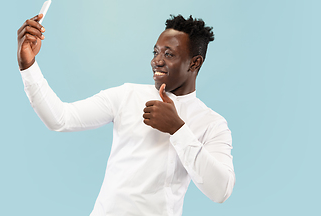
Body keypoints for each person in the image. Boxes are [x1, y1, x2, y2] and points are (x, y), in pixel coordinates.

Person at [17, 14, 235, 216]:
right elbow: (60, 119)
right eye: (155, 52)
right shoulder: (126, 95)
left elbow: (221, 191)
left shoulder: (212, 124)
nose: (156, 61)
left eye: (168, 54)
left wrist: (178, 130)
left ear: (195, 63)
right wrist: (28, 65)